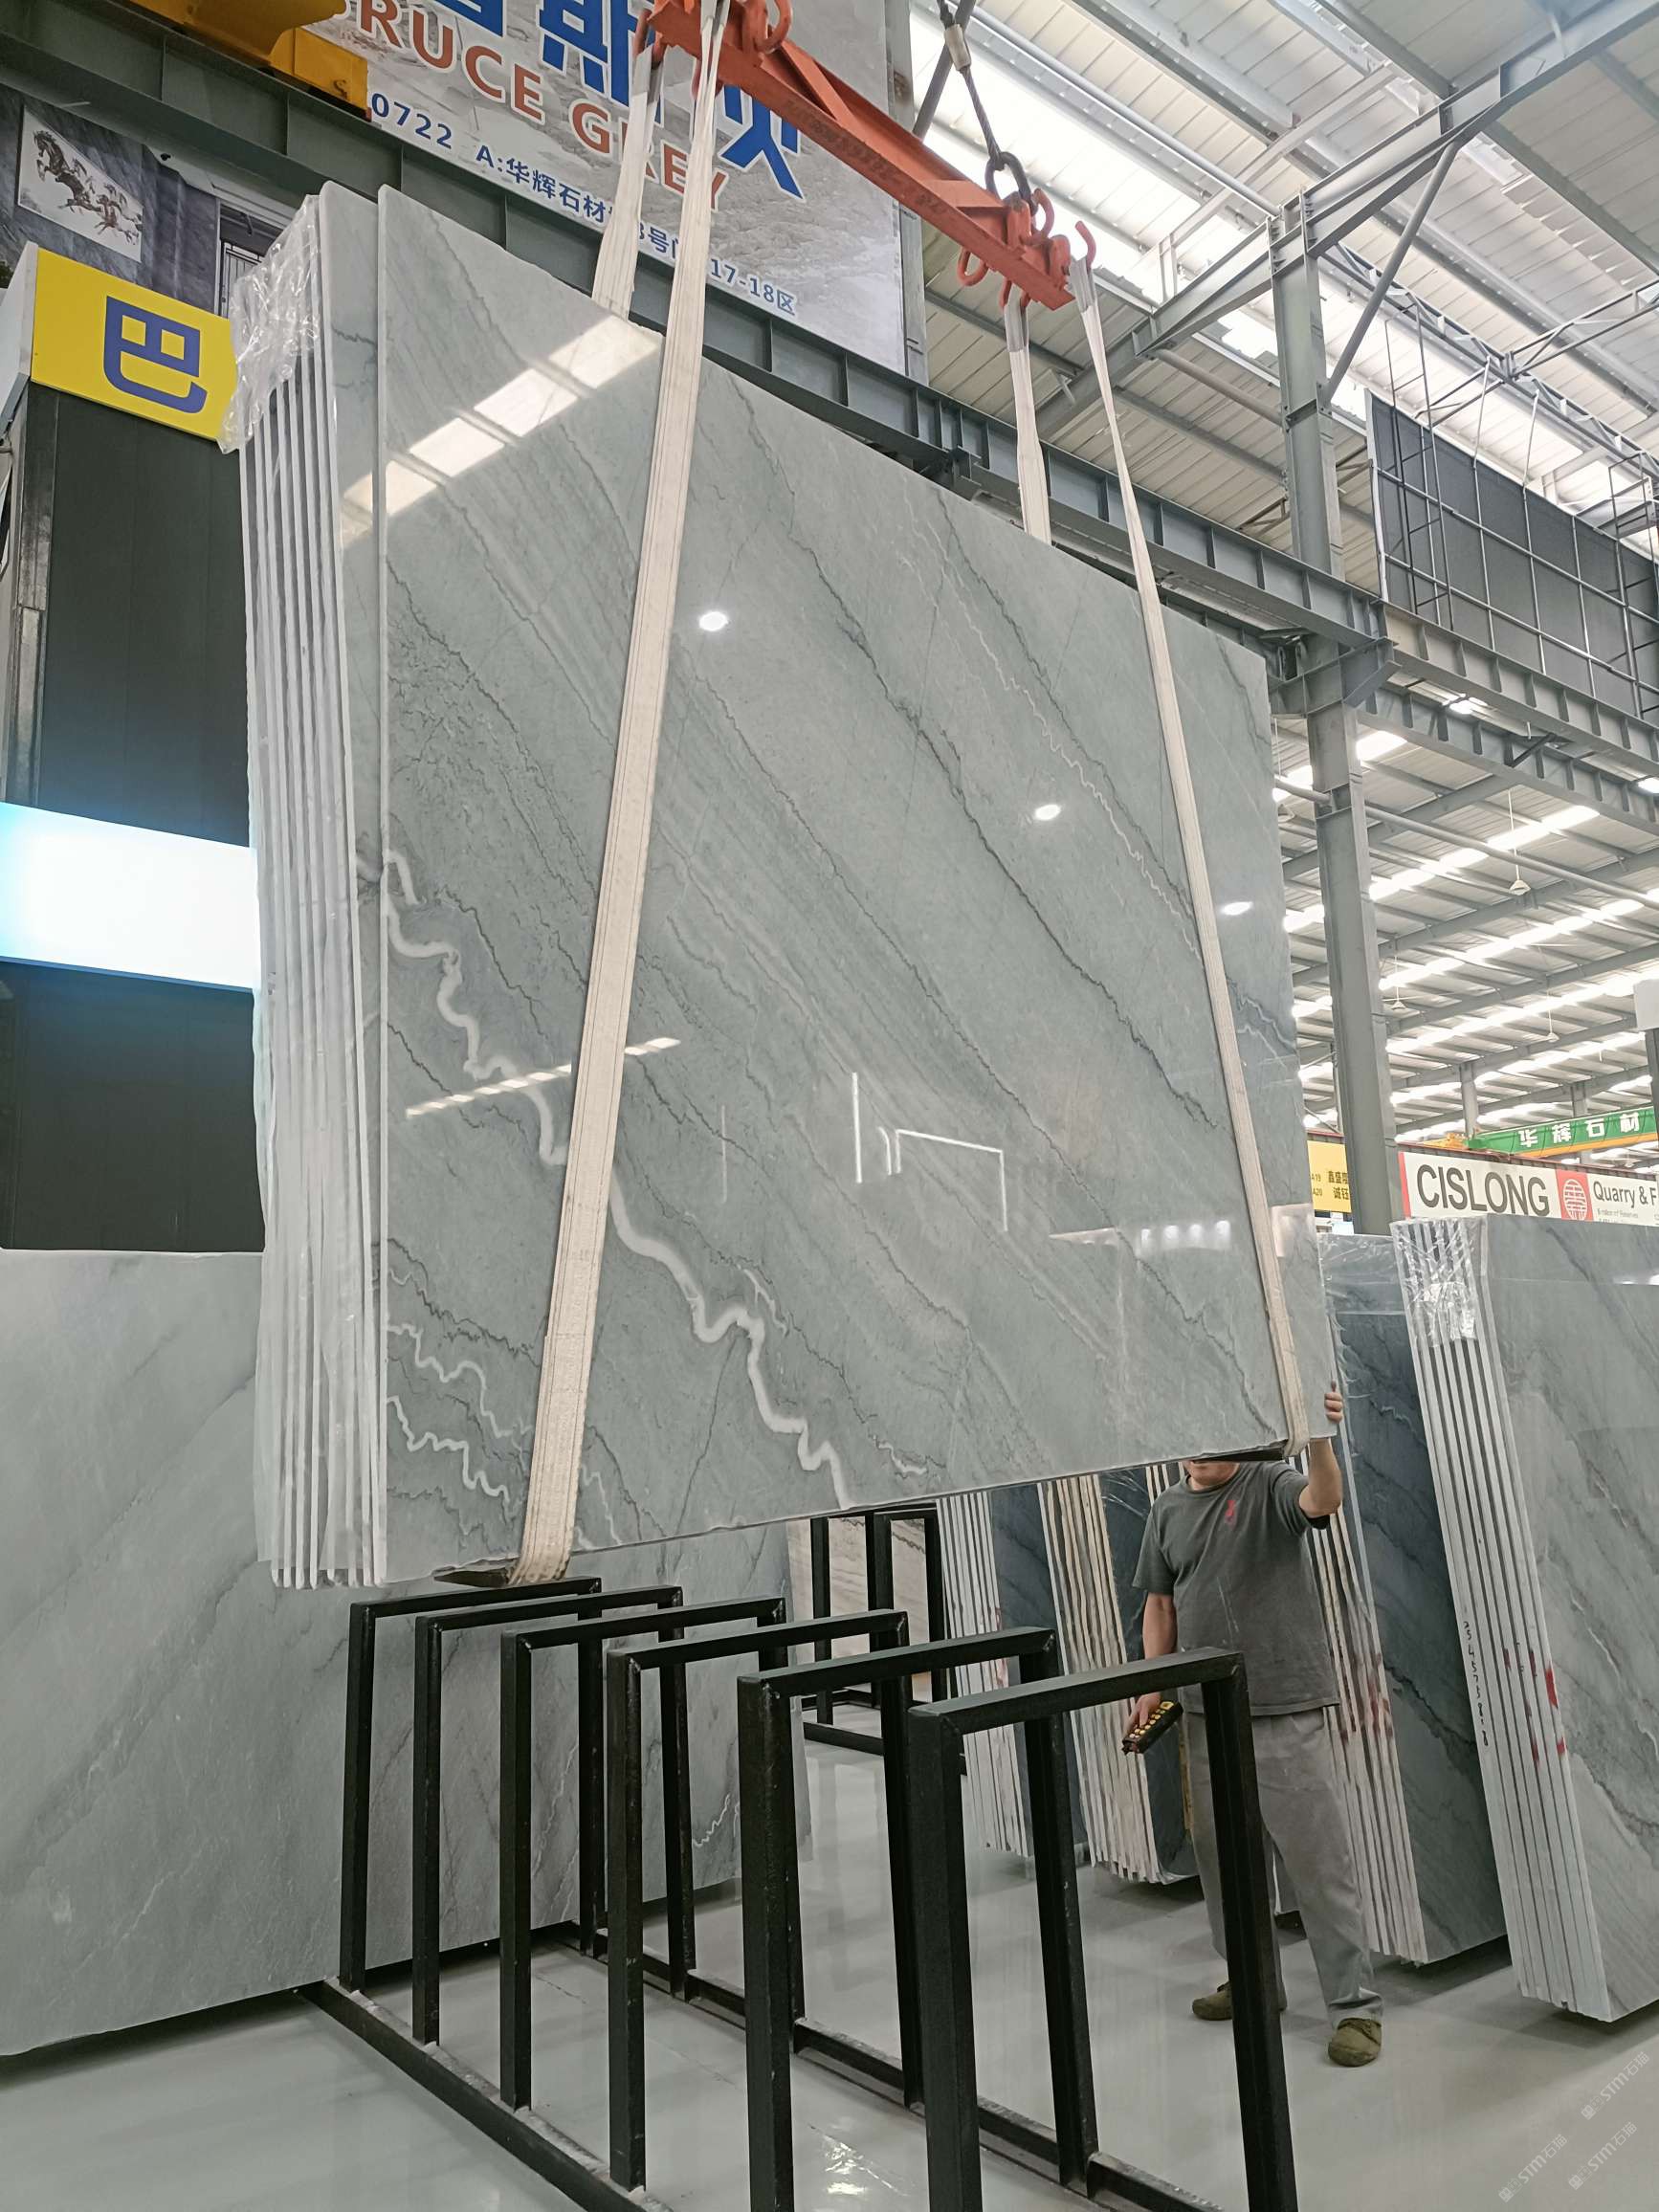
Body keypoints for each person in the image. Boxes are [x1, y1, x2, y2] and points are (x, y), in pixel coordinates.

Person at [1129, 1388, 1382, 2068]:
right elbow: (1160, 1604)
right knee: (1224, 1862)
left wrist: (1318, 1434)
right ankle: (1252, 1982)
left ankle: (1354, 2007)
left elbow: (1323, 1500)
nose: (1201, 1455)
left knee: (1317, 1862)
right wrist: (1150, 1684)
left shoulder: (1269, 1482)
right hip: (1206, 1712)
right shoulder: (1166, 1509)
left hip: (1284, 1704)